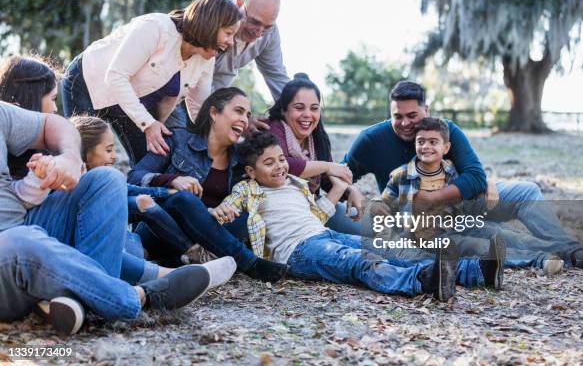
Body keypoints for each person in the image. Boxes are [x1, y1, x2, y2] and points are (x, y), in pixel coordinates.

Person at [0, 101, 232, 335]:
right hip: (11, 247)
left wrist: (68, 157)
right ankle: (140, 297)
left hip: (27, 221)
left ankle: (81, 302)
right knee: (22, 241)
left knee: (108, 179)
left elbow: (52, 124)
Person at [211, 132, 509, 302]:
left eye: (280, 160)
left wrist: (337, 189)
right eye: (268, 163)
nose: (279, 167)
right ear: (251, 171)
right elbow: (229, 208)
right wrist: (221, 211)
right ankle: (423, 281)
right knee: (358, 262)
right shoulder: (246, 189)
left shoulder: (295, 183)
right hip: (297, 252)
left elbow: (315, 214)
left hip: (322, 235)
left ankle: (477, 272)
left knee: (384, 250)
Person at [342, 80, 583, 267]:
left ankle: (573, 250)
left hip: (458, 204)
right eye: (397, 116)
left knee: (527, 191)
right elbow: (342, 174)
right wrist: (350, 189)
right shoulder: (371, 140)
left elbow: (475, 176)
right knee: (491, 236)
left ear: (426, 110)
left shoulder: (446, 131)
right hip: (414, 218)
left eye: (412, 115)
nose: (404, 123)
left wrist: (435, 197)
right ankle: (560, 255)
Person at [61, 0, 242, 165]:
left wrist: (220, 139)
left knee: (151, 159)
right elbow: (116, 76)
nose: (231, 42)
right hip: (88, 82)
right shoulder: (156, 27)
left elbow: (199, 107)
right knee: (84, 156)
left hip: (131, 104)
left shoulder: (206, 59)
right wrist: (148, 123)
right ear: (210, 25)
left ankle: (142, 197)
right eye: (228, 33)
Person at [129, 88, 288, 282]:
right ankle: (249, 264)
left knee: (247, 219)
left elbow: (245, 194)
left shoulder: (240, 160)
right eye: (238, 111)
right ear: (214, 113)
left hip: (207, 234)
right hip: (161, 226)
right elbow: (134, 177)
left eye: (247, 115)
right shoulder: (177, 139)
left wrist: (220, 211)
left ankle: (185, 260)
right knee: (183, 199)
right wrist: (171, 180)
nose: (245, 120)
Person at [371, 117, 565, 275]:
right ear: (414, 144)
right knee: (480, 246)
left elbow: (473, 182)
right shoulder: (401, 175)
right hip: (429, 237)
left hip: (460, 224)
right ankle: (541, 259)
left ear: (445, 148)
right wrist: (380, 210)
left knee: (501, 234)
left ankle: (564, 250)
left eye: (433, 142)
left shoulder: (452, 171)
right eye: (420, 142)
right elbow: (385, 203)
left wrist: (486, 183)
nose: (426, 147)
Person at [70, 115, 212, 264]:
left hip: (119, 231)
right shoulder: (75, 178)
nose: (114, 157)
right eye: (108, 150)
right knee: (140, 254)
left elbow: (128, 189)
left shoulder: (103, 177)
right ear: (84, 152)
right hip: (92, 241)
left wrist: (165, 192)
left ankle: (192, 253)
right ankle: (183, 260)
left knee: (144, 203)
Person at [166, 0, 290, 130]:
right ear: (239, 3)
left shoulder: (269, 33)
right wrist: (232, 120)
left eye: (267, 27)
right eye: (254, 22)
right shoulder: (213, 13)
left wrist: (296, 112)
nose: (258, 33)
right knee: (176, 139)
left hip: (209, 103)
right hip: (174, 89)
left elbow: (277, 76)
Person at [266, 73, 365, 233]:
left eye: (314, 108)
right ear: (284, 110)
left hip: (315, 205)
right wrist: (326, 166)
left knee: (368, 231)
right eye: (299, 108)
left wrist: (350, 190)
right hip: (284, 216)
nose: (307, 115)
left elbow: (328, 181)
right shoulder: (274, 129)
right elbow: (284, 166)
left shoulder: (317, 138)